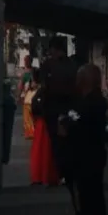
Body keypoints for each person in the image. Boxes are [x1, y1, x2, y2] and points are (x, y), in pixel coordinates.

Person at [58, 62, 108, 215]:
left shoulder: (94, 104)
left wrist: (66, 128)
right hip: (80, 168)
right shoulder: (82, 102)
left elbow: (68, 127)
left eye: (80, 78)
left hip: (89, 168)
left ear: (85, 80)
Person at [38, 36, 78, 181]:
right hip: (69, 109)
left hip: (53, 108)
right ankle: (68, 172)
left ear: (53, 50)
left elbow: (43, 87)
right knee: (68, 141)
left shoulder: (48, 65)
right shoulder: (73, 65)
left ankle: (61, 173)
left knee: (56, 142)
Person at [29, 70, 60, 186]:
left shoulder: (42, 91)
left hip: (42, 123)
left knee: (40, 150)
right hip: (47, 122)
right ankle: (48, 176)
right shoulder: (51, 91)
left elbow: (34, 105)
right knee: (48, 151)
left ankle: (39, 176)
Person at [19, 56, 36, 140]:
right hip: (34, 96)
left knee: (27, 116)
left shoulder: (25, 73)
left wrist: (18, 96)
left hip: (27, 96)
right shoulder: (35, 71)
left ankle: (30, 133)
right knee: (32, 115)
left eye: (26, 61)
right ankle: (32, 131)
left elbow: (20, 86)